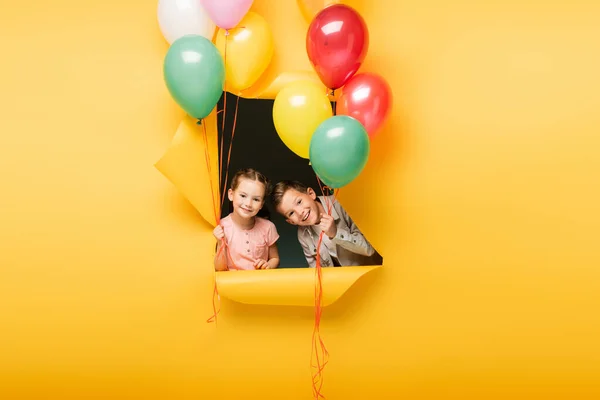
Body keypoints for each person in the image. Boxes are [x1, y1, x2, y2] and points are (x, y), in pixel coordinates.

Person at [271, 180, 382, 268]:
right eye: (291, 213)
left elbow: (369, 249)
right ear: (291, 222)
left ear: (311, 194)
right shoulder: (303, 234)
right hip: (340, 285)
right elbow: (315, 269)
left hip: (371, 277)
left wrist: (335, 233)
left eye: (299, 202)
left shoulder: (342, 205)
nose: (300, 212)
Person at [213, 168, 280, 271]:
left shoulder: (268, 227)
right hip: (232, 286)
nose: (248, 204)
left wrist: (268, 265)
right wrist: (220, 242)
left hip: (260, 284)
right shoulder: (221, 227)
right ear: (231, 195)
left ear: (261, 204)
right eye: (243, 196)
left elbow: (275, 258)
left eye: (256, 199)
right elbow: (219, 268)